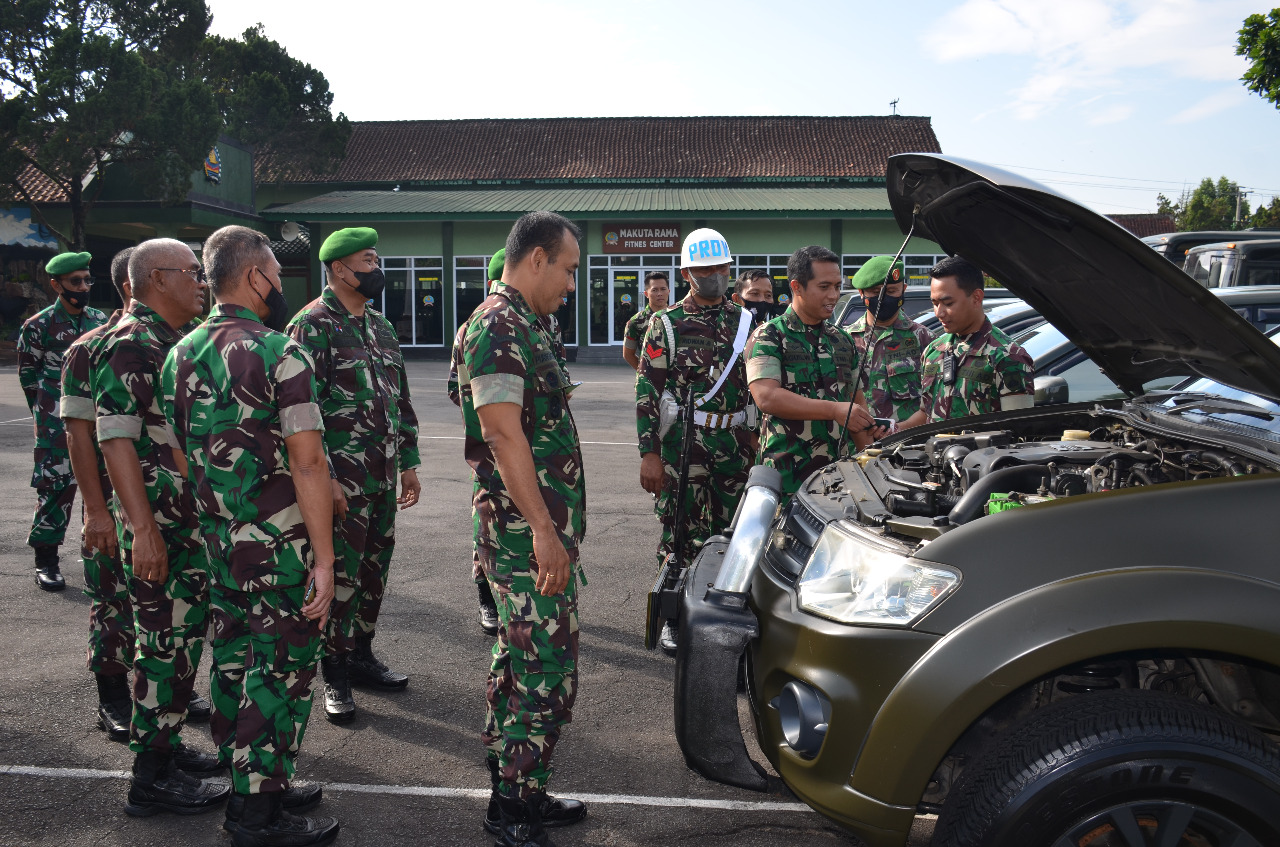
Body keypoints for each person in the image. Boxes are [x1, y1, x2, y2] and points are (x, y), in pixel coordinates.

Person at [161, 225, 339, 846]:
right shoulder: (279, 352)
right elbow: (309, 463)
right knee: (279, 672)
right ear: (255, 275)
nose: (282, 284)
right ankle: (255, 817)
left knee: (234, 665)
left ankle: (257, 784)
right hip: (280, 549)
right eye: (275, 272)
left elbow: (182, 456)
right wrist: (324, 559)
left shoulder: (179, 353)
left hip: (221, 546)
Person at [454, 211, 588, 846]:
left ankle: (521, 788)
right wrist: (541, 528)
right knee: (542, 667)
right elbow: (502, 433)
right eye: (566, 269)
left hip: (534, 529)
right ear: (536, 258)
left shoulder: (528, 324)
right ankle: (511, 809)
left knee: (522, 660)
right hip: (520, 533)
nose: (570, 284)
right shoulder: (499, 326)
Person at [93, 238, 224, 815]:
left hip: (185, 522)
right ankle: (150, 779)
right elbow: (115, 437)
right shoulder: (131, 343)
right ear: (158, 278)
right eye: (193, 272)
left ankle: (165, 749)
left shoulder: (169, 341)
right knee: (163, 644)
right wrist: (142, 530)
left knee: (181, 640)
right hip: (161, 526)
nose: (202, 281)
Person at [286, 227, 421, 725]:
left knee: (371, 575)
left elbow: (398, 400)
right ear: (339, 269)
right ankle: (335, 673)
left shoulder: (381, 327)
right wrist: (326, 483)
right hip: (341, 484)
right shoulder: (311, 325)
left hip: (381, 478)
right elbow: (301, 411)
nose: (376, 268)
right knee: (339, 576)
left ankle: (361, 656)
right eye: (368, 260)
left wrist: (409, 461)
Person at [637, 227, 757, 653]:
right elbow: (648, 392)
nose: (715, 275)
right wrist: (649, 453)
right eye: (704, 268)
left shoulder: (746, 321)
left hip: (735, 444)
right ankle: (673, 616)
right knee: (677, 531)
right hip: (683, 446)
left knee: (732, 534)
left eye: (721, 267)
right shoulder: (665, 324)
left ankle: (721, 614)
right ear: (687, 272)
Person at [59, 247, 137, 740]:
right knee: (112, 600)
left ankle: (164, 692)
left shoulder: (178, 343)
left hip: (166, 504)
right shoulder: (89, 348)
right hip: (112, 502)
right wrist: (95, 510)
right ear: (132, 286)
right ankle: (112, 697)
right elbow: (78, 434)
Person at [746, 246, 881, 497]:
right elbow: (766, 397)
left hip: (841, 480)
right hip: (787, 479)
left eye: (838, 286)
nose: (834, 295)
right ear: (797, 287)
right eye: (824, 286)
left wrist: (871, 466)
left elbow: (856, 407)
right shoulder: (770, 335)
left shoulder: (842, 340)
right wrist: (834, 410)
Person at [18, 250, 108, 590]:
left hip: (97, 418)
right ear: (56, 285)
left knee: (100, 488)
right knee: (55, 489)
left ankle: (98, 560)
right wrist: (46, 415)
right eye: (75, 281)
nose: (83, 286)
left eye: (87, 279)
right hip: (56, 424)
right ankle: (46, 561)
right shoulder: (38, 326)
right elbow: (29, 378)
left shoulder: (99, 321)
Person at [899, 256, 1034, 427]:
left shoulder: (1008, 357)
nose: (939, 313)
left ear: (976, 298)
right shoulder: (933, 351)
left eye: (947, 303)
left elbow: (1018, 430)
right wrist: (893, 432)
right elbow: (926, 413)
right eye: (934, 303)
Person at [846, 256, 935, 425]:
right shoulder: (845, 341)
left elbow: (934, 403)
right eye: (875, 292)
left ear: (904, 289)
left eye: (891, 291)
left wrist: (898, 430)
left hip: (908, 444)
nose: (882, 298)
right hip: (855, 445)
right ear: (861, 293)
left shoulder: (925, 340)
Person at [621, 271, 669, 370]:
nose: (659, 293)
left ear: (669, 291)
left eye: (663, 289)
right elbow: (628, 354)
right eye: (654, 290)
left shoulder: (679, 318)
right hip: (649, 382)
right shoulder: (636, 322)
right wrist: (644, 373)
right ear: (646, 293)